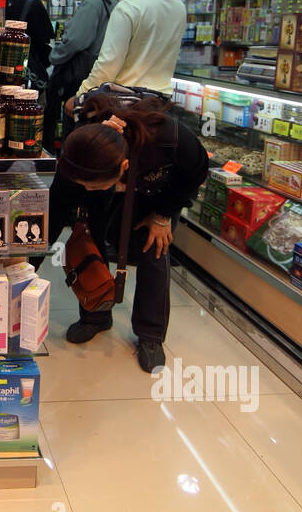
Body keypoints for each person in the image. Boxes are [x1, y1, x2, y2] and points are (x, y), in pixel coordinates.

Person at [37, 90, 208, 373]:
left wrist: (163, 215)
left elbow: (197, 171)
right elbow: (55, 213)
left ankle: (150, 335)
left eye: (92, 186)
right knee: (94, 240)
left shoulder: (168, 137)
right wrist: (27, 268)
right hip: (108, 179)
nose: (86, 191)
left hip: (160, 192)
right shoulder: (81, 153)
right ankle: (96, 316)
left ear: (124, 167)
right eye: (84, 187)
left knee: (154, 249)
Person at [69, 0, 188, 102]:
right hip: (161, 102)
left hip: (127, 102)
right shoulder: (178, 7)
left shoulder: (128, 8)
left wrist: (81, 95)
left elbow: (108, 65)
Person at [46, 0, 115, 146]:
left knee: (75, 132)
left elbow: (75, 41)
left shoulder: (93, 2)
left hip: (80, 78)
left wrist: (54, 56)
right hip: (97, 77)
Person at [3, 0, 54, 86]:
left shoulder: (0, 4)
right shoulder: (36, 5)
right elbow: (45, 43)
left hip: (2, 72)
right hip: (27, 74)